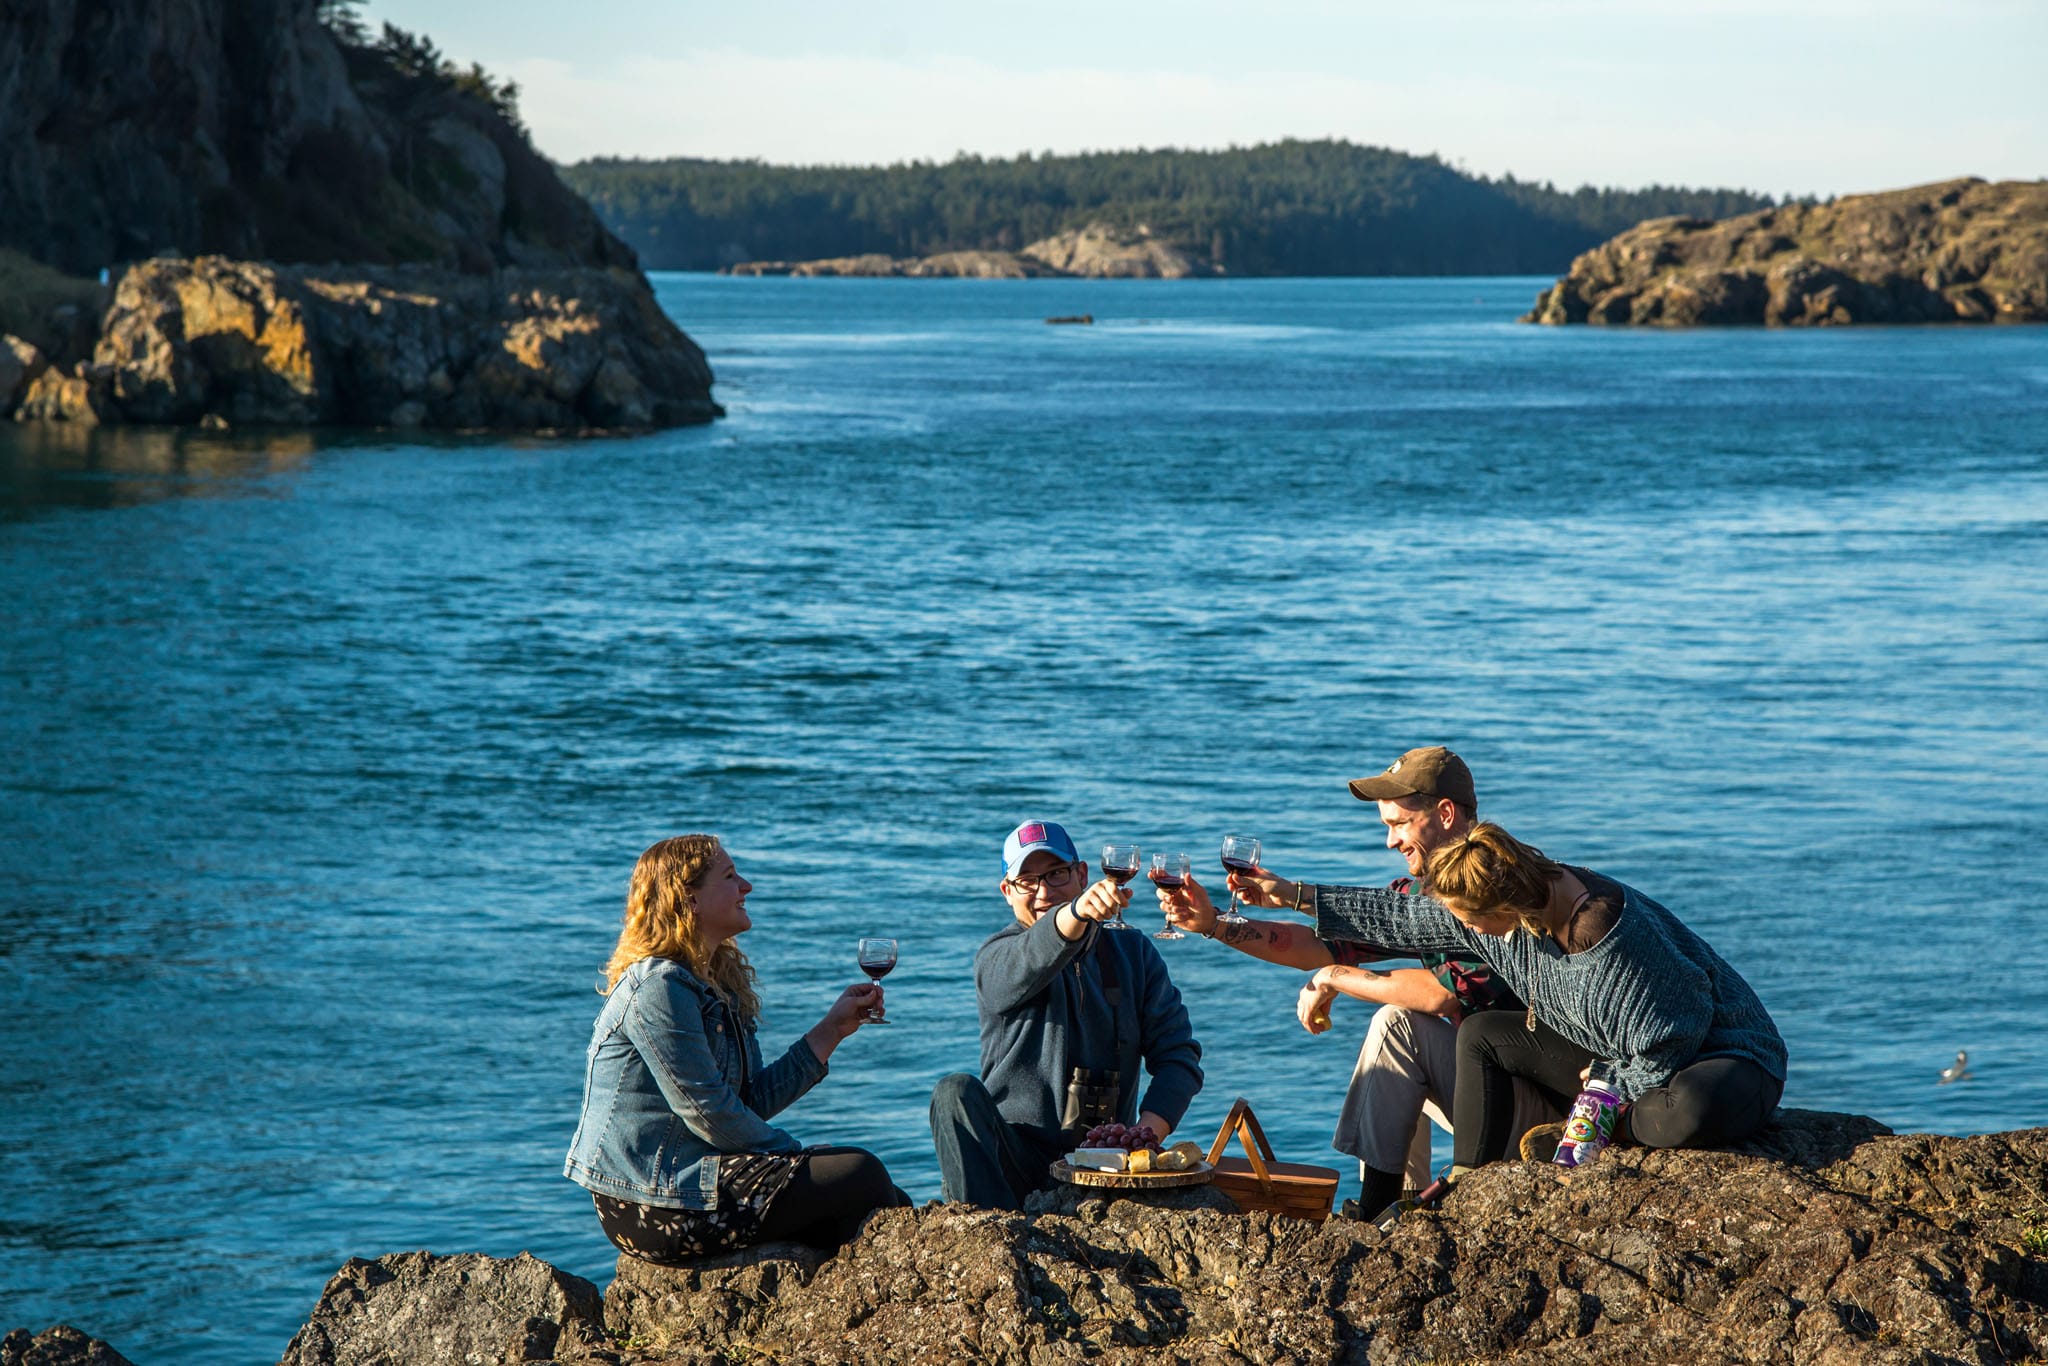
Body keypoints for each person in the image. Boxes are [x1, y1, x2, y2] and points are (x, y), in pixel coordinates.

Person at [1165, 821, 1786, 1178]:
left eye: (1473, 922)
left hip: (1717, 1057)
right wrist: (1289, 896)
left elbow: (1682, 1025)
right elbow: (1393, 920)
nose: (1469, 933)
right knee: (1484, 1032)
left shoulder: (1605, 934)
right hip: (1610, 1062)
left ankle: (1616, 1127)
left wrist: (1602, 1100)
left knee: (1680, 1113)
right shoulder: (1490, 899)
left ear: (1509, 907)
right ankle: (1470, 1181)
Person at [1164, 745, 1554, 1220]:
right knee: (1405, 1037)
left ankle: (1375, 1208)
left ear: (1446, 814)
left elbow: (1438, 994)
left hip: (1544, 1120)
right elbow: (1317, 946)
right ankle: (1406, 1205)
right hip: (1490, 1095)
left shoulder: (1493, 887)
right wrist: (1214, 925)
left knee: (1398, 1025)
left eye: (1399, 824)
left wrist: (1335, 979)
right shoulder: (1420, 895)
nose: (1390, 842)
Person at [564, 835, 909, 1262]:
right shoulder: (658, 987)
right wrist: (794, 1153)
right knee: (860, 1173)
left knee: (886, 1198)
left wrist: (832, 1030)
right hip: (649, 1201)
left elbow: (746, 1104)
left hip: (699, 1177)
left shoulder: (720, 984)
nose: (747, 886)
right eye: (730, 877)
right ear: (687, 899)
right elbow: (706, 1110)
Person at [929, 820, 1204, 1209]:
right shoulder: (997, 956)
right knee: (953, 1093)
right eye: (1027, 880)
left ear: (1082, 874)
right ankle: (990, 1235)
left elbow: (1179, 1055)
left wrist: (1145, 1134)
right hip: (1013, 1158)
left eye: (1056, 874)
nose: (1043, 892)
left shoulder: (1133, 953)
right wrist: (1073, 914)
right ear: (1007, 892)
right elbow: (1024, 963)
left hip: (1103, 1163)